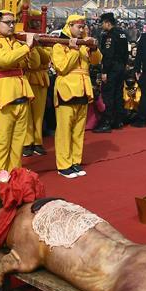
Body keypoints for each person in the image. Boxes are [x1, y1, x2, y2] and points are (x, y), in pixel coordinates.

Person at [0, 10, 35, 176]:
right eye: (8, 22)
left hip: (21, 96)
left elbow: (36, 63)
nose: (12, 25)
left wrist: (33, 48)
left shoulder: (17, 43)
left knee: (18, 143)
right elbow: (5, 60)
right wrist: (27, 47)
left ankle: (15, 178)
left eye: (13, 22)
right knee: (2, 142)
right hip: (2, 98)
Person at [52, 15, 102, 178]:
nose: (81, 30)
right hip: (66, 90)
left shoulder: (83, 43)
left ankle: (75, 161)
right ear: (70, 26)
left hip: (83, 89)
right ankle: (63, 165)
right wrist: (74, 50)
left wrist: (93, 48)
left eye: (83, 27)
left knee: (78, 130)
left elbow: (96, 61)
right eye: (78, 27)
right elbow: (62, 67)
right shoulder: (59, 44)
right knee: (64, 130)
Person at [96, 12, 128, 132]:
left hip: (112, 68)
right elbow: (126, 53)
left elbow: (108, 55)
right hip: (121, 67)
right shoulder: (122, 34)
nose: (101, 26)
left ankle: (107, 122)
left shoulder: (109, 36)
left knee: (108, 94)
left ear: (107, 23)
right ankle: (118, 120)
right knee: (118, 94)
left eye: (102, 23)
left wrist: (104, 71)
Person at [21, 41, 50, 156]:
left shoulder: (47, 41)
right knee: (27, 113)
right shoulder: (22, 42)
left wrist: (37, 45)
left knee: (39, 113)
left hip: (41, 79)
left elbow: (46, 59)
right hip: (27, 78)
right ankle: (27, 142)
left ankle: (38, 142)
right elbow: (33, 63)